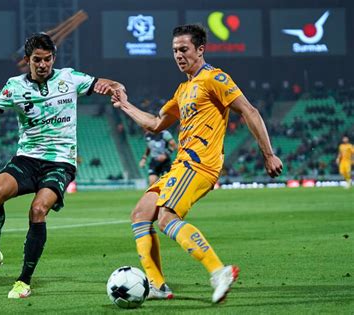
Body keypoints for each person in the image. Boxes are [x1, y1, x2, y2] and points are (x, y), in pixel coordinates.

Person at [0, 33, 124, 299]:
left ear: (54, 58)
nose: (43, 64)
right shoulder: (14, 87)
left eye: (48, 59)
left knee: (38, 209)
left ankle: (24, 280)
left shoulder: (69, 78)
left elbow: (105, 83)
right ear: (27, 60)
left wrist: (114, 86)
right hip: (28, 158)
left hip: (60, 161)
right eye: (37, 60)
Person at [112, 24, 283, 303]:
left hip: (200, 164)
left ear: (200, 50)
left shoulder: (215, 78)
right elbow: (156, 124)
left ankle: (219, 271)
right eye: (175, 51)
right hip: (180, 165)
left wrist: (268, 153)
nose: (178, 55)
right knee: (141, 213)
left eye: (184, 49)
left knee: (166, 217)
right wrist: (126, 105)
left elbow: (249, 111)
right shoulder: (183, 89)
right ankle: (157, 286)